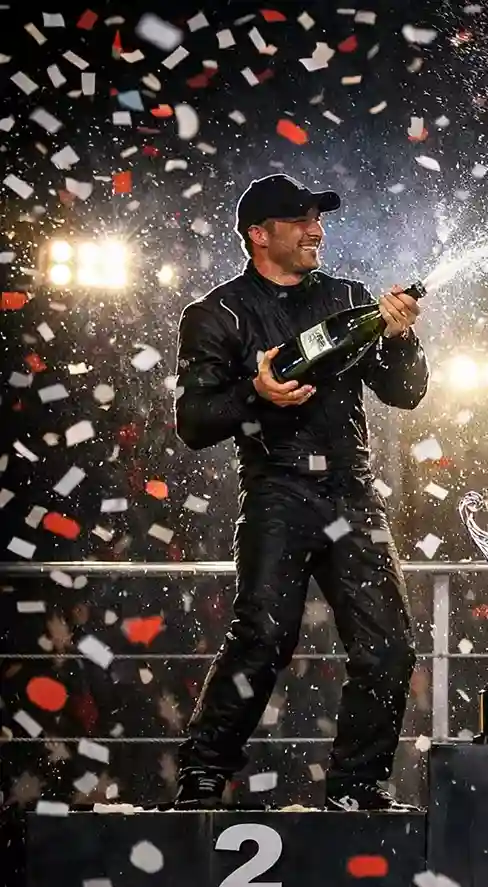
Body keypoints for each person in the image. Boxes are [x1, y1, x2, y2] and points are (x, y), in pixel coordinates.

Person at [171, 174, 427, 810]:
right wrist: (253, 393)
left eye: (318, 218)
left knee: (388, 647)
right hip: (278, 491)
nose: (316, 230)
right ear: (260, 235)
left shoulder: (348, 296)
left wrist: (400, 336)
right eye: (301, 220)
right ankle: (202, 780)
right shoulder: (218, 313)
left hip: (352, 490)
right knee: (261, 639)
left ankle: (356, 786)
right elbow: (194, 422)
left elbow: (407, 392)